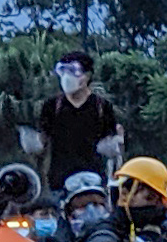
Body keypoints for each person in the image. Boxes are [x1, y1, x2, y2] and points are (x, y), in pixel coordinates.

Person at [42, 51, 125, 184]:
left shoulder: (102, 107)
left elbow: (112, 145)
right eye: (62, 70)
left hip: (95, 180)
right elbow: (43, 141)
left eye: (72, 71)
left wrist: (117, 142)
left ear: (87, 76)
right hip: (59, 181)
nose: (66, 76)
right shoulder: (51, 106)